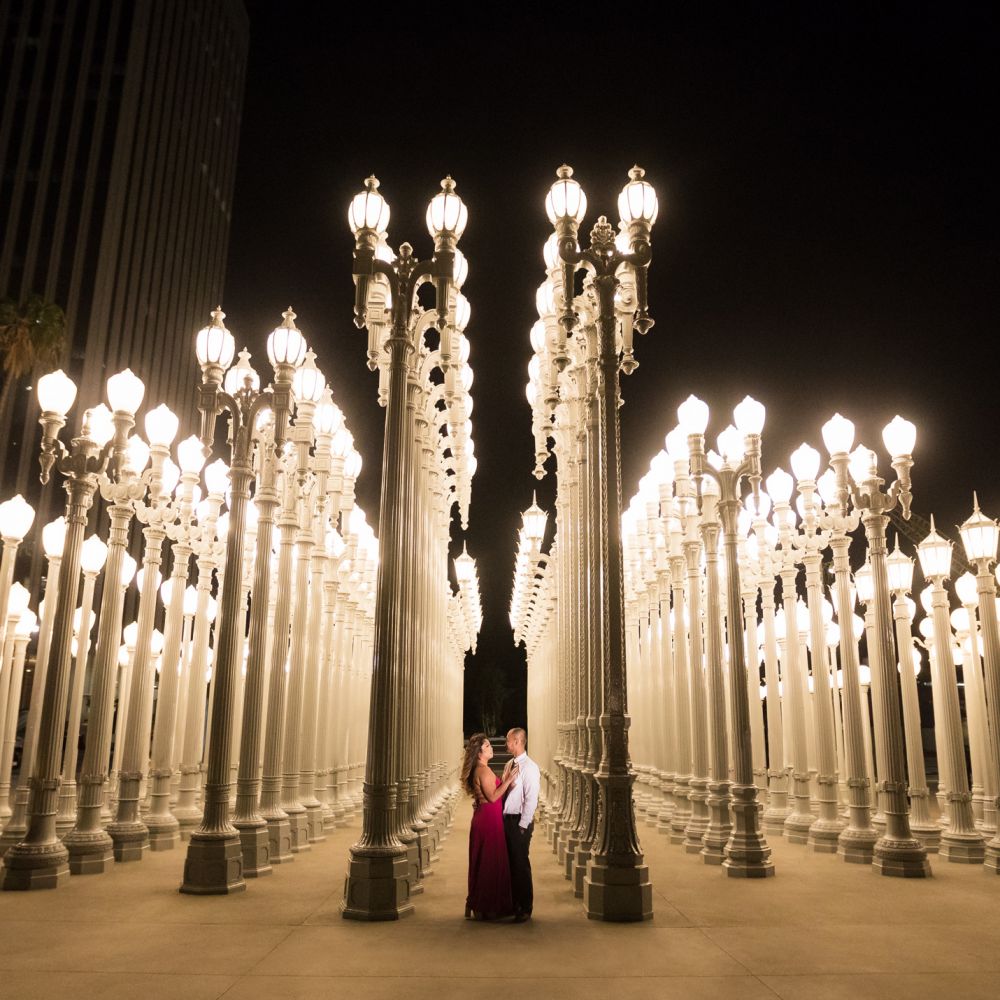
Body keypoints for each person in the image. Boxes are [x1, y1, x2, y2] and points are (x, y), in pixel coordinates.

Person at [462, 732, 519, 920]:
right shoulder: (483, 770)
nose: (491, 748)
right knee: (489, 862)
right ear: (479, 753)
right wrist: (509, 780)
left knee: (483, 861)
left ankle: (477, 904)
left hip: (485, 817)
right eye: (487, 746)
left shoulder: (480, 769)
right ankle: (487, 907)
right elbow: (493, 797)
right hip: (488, 820)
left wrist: (503, 780)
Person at [501, 726, 539, 922]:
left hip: (519, 822)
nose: (506, 744)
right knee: (510, 864)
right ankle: (513, 903)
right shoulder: (509, 764)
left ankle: (525, 907)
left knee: (520, 864)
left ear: (517, 741)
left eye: (508, 741)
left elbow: (531, 800)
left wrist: (523, 826)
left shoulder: (530, 768)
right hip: (507, 820)